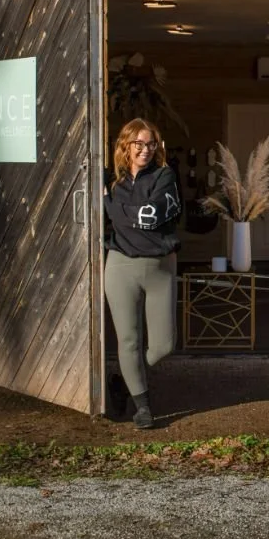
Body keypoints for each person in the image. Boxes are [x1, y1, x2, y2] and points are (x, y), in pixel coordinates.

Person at [104, 118, 182, 429]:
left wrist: (123, 213)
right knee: (129, 341)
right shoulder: (112, 181)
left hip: (160, 267)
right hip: (120, 266)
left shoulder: (165, 176)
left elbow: (152, 214)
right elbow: (130, 216)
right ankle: (143, 406)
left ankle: (123, 379)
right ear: (125, 146)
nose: (146, 150)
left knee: (164, 345)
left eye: (151, 144)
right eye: (139, 144)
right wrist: (128, 214)